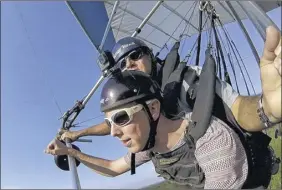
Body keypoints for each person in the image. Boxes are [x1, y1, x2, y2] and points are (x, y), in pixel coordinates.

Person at [45, 70, 276, 189]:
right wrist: (73, 153)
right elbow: (113, 168)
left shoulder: (212, 142)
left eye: (121, 118)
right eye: (110, 124)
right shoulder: (151, 145)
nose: (113, 132)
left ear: (153, 109)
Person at [59, 26, 281, 141]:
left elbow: (239, 108)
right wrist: (78, 135)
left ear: (151, 56)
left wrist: (267, 109)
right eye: (123, 65)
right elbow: (112, 124)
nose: (130, 65)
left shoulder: (187, 77)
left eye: (135, 55)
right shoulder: (136, 98)